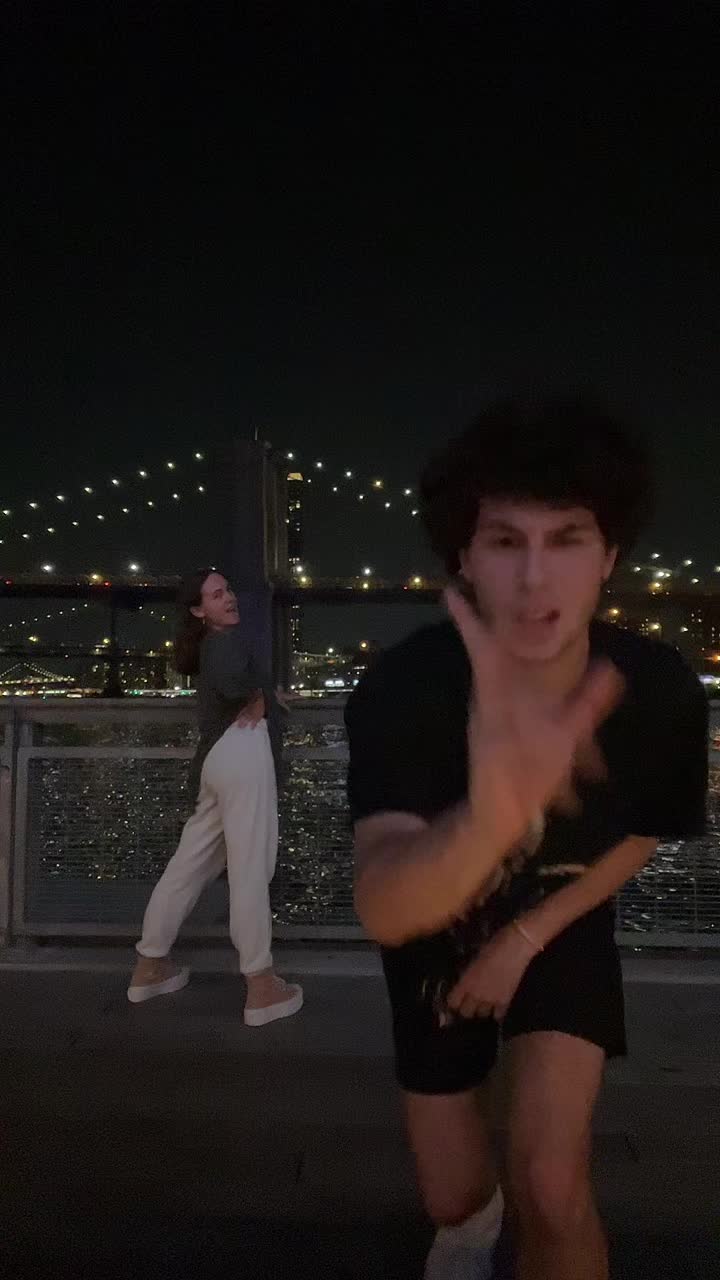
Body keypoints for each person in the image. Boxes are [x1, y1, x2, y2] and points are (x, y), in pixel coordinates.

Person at [345, 398, 708, 1280]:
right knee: (454, 1197)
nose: (536, 577)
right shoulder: (407, 687)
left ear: (609, 556)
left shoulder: (657, 688)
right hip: (437, 926)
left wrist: (525, 938)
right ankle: (471, 1227)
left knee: (551, 1185)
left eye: (568, 539)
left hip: (562, 917)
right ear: (464, 559)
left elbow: (646, 833)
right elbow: (387, 905)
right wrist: (490, 820)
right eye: (506, 542)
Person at [128, 568, 303, 1028]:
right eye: (216, 594)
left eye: (228, 590)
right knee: (250, 871)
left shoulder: (209, 645)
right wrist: (259, 696)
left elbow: (230, 687)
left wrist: (264, 694)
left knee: (188, 867)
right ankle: (261, 985)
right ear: (198, 610)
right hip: (243, 756)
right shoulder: (224, 642)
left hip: (216, 762)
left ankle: (150, 965)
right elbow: (233, 685)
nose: (229, 598)